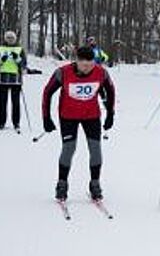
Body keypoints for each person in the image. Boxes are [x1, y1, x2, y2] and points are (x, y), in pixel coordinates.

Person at [42, 46, 115, 202]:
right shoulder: (63, 72)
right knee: (69, 148)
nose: (87, 65)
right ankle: (62, 183)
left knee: (95, 149)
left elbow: (111, 90)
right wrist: (46, 118)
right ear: (76, 60)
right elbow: (47, 92)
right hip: (68, 116)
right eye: (83, 62)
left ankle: (95, 183)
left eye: (90, 62)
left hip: (92, 116)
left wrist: (110, 114)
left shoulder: (101, 72)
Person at [0, 31, 27, 131]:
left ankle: (16, 123)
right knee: (2, 102)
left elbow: (24, 64)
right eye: (8, 38)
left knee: (15, 102)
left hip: (16, 80)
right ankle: (1, 123)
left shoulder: (19, 49)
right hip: (2, 79)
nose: (10, 39)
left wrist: (17, 58)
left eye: (12, 38)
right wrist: (1, 59)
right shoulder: (0, 48)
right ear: (5, 38)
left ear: (15, 39)